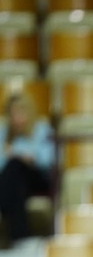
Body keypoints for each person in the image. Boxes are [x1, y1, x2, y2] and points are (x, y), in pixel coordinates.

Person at [0, 94, 55, 244]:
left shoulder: (42, 129)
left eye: (20, 113)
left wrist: (21, 155)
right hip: (13, 179)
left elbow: (48, 160)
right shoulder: (3, 133)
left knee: (16, 166)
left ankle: (3, 204)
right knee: (15, 179)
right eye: (12, 115)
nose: (16, 119)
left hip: (37, 177)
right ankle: (21, 238)